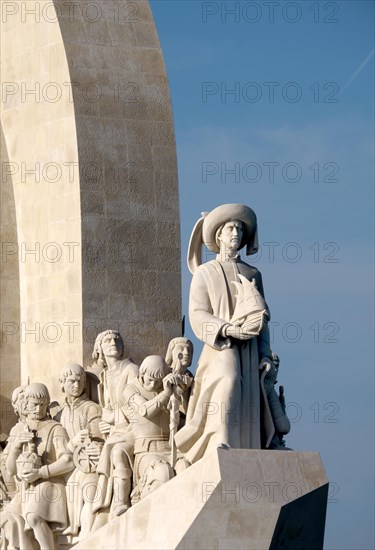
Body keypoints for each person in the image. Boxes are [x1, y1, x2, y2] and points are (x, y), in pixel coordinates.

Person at [175, 204, 288, 464]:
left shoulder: (253, 274)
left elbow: (262, 320)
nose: (235, 233)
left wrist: (266, 355)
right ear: (219, 236)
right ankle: (218, 437)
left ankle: (251, 447)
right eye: (230, 228)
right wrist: (226, 328)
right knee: (228, 379)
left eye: (239, 228)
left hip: (248, 350)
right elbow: (197, 313)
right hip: (221, 347)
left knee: (248, 393)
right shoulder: (205, 273)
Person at [5, 383, 74, 550]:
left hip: (50, 483)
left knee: (34, 516)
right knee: (9, 521)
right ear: (26, 404)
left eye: (43, 404)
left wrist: (41, 473)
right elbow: (10, 470)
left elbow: (68, 460)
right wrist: (15, 447)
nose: (39, 409)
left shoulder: (55, 428)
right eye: (35, 404)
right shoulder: (19, 429)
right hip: (26, 488)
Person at [88, 330, 139, 518]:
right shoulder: (104, 377)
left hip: (133, 428)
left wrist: (113, 418)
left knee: (117, 452)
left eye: (117, 339)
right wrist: (108, 425)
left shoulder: (131, 369)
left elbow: (139, 406)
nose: (113, 342)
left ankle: (120, 500)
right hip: (116, 431)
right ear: (99, 348)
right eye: (107, 340)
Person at [55, 363, 103, 538]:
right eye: (72, 382)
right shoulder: (59, 414)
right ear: (62, 383)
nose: (76, 385)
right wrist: (72, 444)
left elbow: (99, 440)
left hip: (85, 465)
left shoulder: (92, 408)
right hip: (65, 466)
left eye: (80, 381)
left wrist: (93, 444)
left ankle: (86, 536)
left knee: (89, 489)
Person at [122, 356, 177, 502]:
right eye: (149, 379)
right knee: (161, 472)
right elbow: (144, 410)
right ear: (141, 374)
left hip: (170, 448)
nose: (153, 384)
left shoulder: (167, 388)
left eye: (158, 381)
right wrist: (165, 394)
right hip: (147, 451)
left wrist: (181, 391)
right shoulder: (131, 389)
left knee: (186, 469)